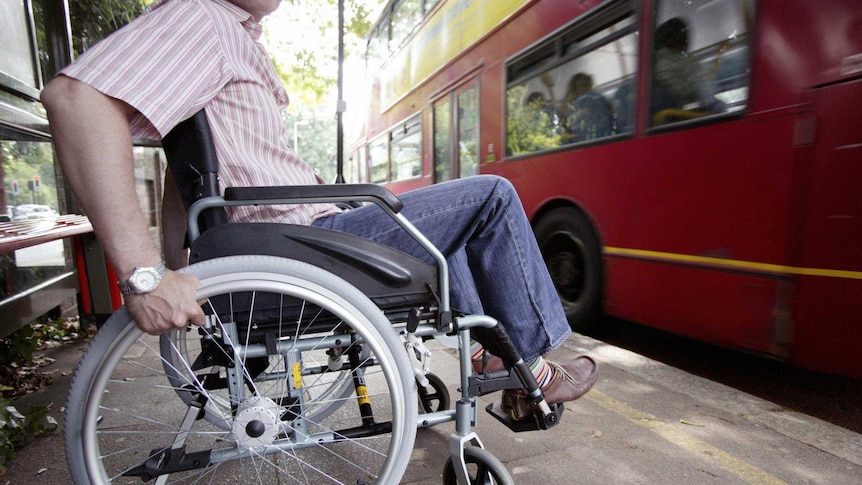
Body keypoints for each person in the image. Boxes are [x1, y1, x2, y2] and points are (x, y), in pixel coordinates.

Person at [40, 0, 597, 421]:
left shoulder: (222, 31)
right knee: (490, 197)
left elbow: (186, 181)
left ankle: (500, 357)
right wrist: (146, 276)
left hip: (289, 241)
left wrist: (184, 268)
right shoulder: (203, 19)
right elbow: (75, 98)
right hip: (298, 246)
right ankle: (534, 367)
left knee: (442, 227)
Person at [563, 73, 614, 141]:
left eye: (584, 85)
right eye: (579, 86)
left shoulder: (598, 100)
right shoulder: (571, 107)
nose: (582, 88)